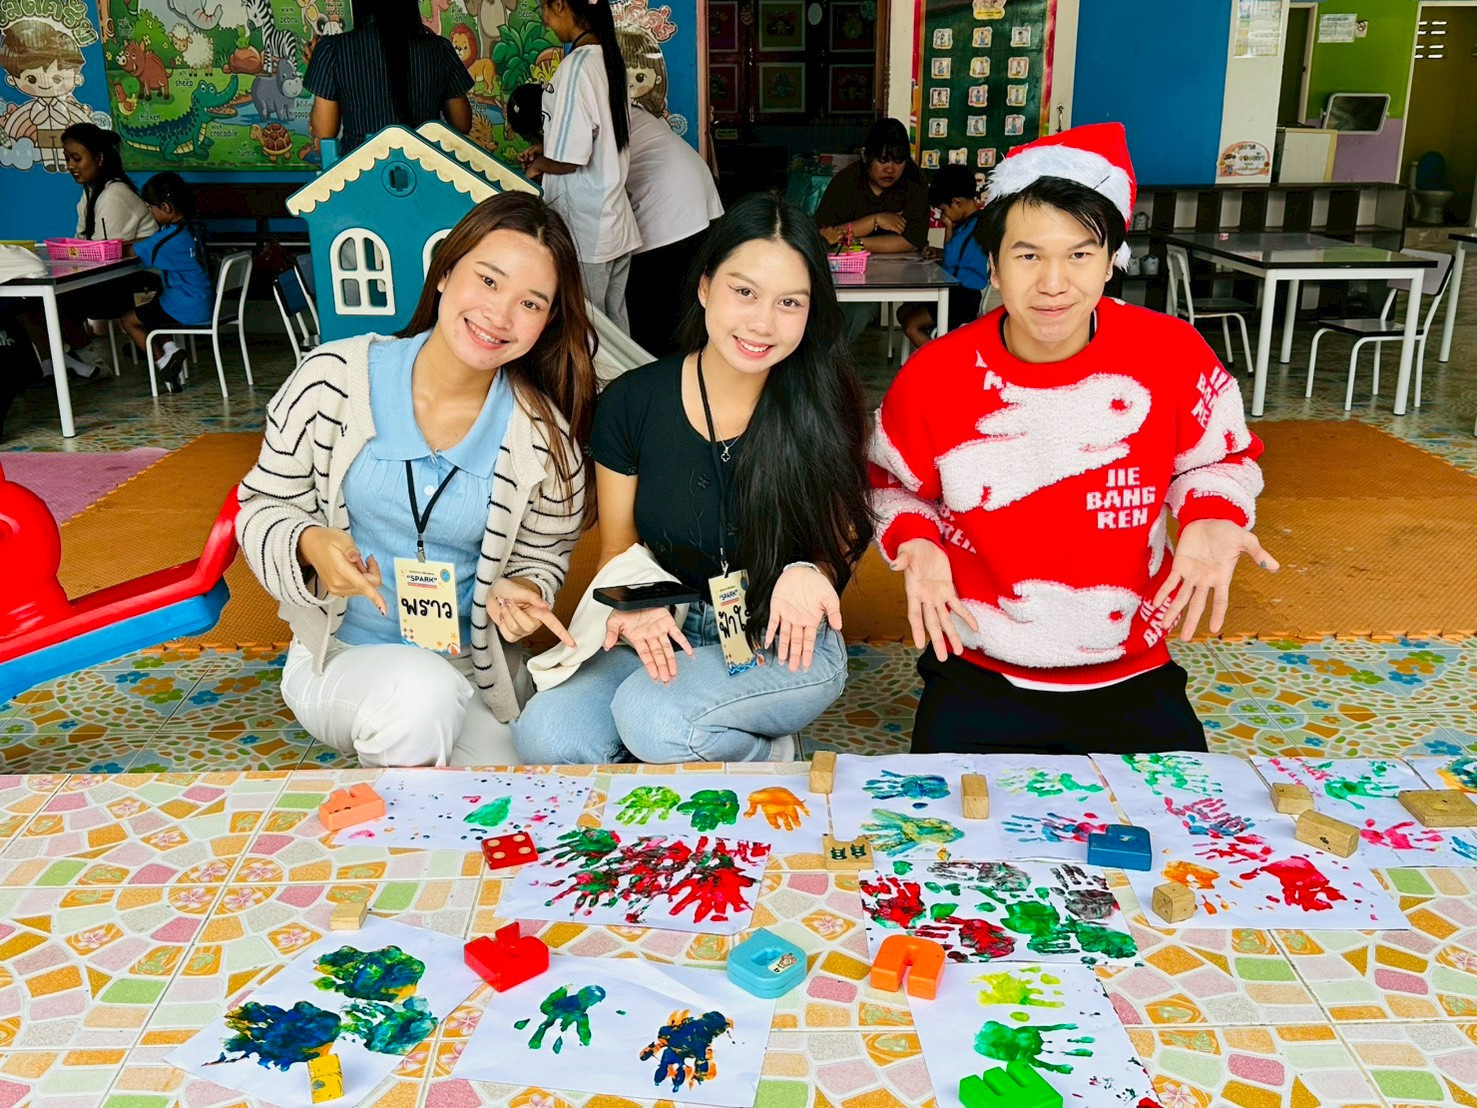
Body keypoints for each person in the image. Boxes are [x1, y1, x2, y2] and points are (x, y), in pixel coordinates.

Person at [867, 123, 1278, 757]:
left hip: (1132, 668)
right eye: (1028, 256)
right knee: (945, 818)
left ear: (1112, 259)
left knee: (1185, 816)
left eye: (1080, 255)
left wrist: (1212, 516)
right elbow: (890, 484)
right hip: (977, 665)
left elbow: (1221, 459)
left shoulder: (1171, 354)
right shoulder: (934, 376)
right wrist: (917, 545)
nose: (1054, 283)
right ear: (993, 265)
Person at [237, 193, 597, 768]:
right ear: (445, 273)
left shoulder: (544, 439)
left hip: (471, 674)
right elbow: (262, 505)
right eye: (488, 280)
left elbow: (544, 554)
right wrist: (307, 542)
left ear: (548, 320)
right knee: (418, 698)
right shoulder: (333, 380)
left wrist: (527, 587)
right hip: (341, 657)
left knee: (522, 789)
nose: (500, 315)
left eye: (530, 302)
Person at [512, 193, 873, 765]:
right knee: (547, 735)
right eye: (744, 292)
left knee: (654, 720)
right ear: (706, 287)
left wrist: (813, 570)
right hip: (666, 622)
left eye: (789, 303)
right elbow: (618, 548)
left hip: (780, 636)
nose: (762, 322)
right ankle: (710, 744)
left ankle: (759, 755)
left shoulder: (824, 403)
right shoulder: (633, 402)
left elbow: (842, 535)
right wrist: (636, 605)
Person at [507, 81, 721, 357]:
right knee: (680, 308)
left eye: (536, 136)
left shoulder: (582, 124)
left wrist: (541, 166)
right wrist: (546, 154)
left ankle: (662, 374)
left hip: (668, 210)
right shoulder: (596, 108)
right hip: (697, 197)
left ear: (547, 122)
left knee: (654, 319)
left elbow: (578, 173)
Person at [522, 0, 641, 330]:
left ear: (560, 5)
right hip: (613, 220)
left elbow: (570, 160)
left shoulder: (577, 65)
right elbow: (597, 139)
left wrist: (538, 165)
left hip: (587, 227)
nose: (546, 20)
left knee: (588, 326)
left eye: (545, 9)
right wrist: (547, 150)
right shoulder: (608, 59)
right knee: (615, 328)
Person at [54, 123, 159, 379]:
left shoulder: (114, 195)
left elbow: (103, 257)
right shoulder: (91, 194)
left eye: (77, 158)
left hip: (147, 283)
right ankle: (75, 362)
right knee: (50, 301)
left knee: (59, 302)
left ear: (99, 159)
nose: (70, 166)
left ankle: (91, 365)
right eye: (67, 158)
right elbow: (82, 242)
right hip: (126, 278)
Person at [305, 0, 473, 156]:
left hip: (360, 171)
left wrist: (321, 67)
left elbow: (324, 133)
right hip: (426, 168)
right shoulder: (440, 49)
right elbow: (462, 123)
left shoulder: (332, 50)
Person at [812, 117, 929, 341]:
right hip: (845, 273)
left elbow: (912, 240)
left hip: (895, 272)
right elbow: (825, 236)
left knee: (862, 310)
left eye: (898, 160)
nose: (890, 169)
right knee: (851, 310)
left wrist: (855, 242)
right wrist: (875, 220)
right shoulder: (847, 181)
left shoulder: (913, 181)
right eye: (882, 160)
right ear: (865, 155)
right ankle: (828, 358)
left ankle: (832, 357)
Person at [120, 172, 213, 394]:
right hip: (202, 299)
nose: (150, 212)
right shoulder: (194, 228)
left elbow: (132, 252)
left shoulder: (170, 239)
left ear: (166, 207)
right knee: (152, 305)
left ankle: (163, 363)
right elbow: (154, 242)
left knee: (129, 320)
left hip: (186, 306)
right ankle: (171, 349)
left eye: (151, 207)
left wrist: (116, 245)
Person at [900, 164, 989, 348]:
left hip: (963, 298)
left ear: (956, 203)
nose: (942, 215)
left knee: (911, 326)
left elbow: (949, 263)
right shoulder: (970, 224)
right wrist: (938, 251)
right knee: (903, 312)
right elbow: (960, 257)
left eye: (943, 210)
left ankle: (941, 361)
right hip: (956, 292)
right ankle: (937, 349)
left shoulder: (974, 227)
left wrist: (948, 228)